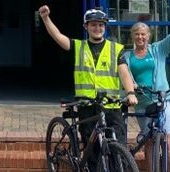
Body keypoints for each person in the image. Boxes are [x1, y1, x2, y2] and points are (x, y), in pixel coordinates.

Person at [39, 5, 138, 171]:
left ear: (105, 27)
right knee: (92, 152)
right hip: (87, 106)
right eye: (93, 24)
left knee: (118, 150)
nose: (97, 28)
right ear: (86, 27)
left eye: (101, 25)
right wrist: (45, 18)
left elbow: (124, 73)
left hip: (111, 106)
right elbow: (58, 37)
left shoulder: (115, 49)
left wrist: (130, 93)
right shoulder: (79, 46)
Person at [123, 2, 170, 171]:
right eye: (137, 34)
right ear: (132, 36)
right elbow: (125, 75)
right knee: (148, 141)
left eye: (143, 34)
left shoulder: (158, 50)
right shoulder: (127, 56)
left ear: (148, 35)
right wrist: (132, 86)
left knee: (167, 141)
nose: (140, 37)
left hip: (161, 100)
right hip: (141, 102)